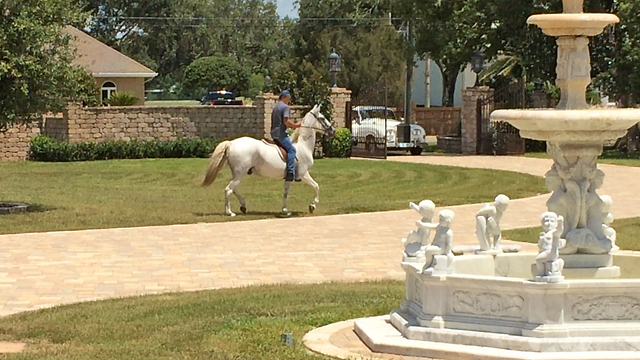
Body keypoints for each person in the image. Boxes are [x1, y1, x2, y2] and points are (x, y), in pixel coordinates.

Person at [271, 90, 301, 181]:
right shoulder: (285, 107)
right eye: (289, 97)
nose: (289, 99)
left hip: (274, 133)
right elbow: (286, 121)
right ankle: (290, 172)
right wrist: (296, 125)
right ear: (285, 97)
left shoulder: (276, 107)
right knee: (292, 150)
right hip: (281, 134)